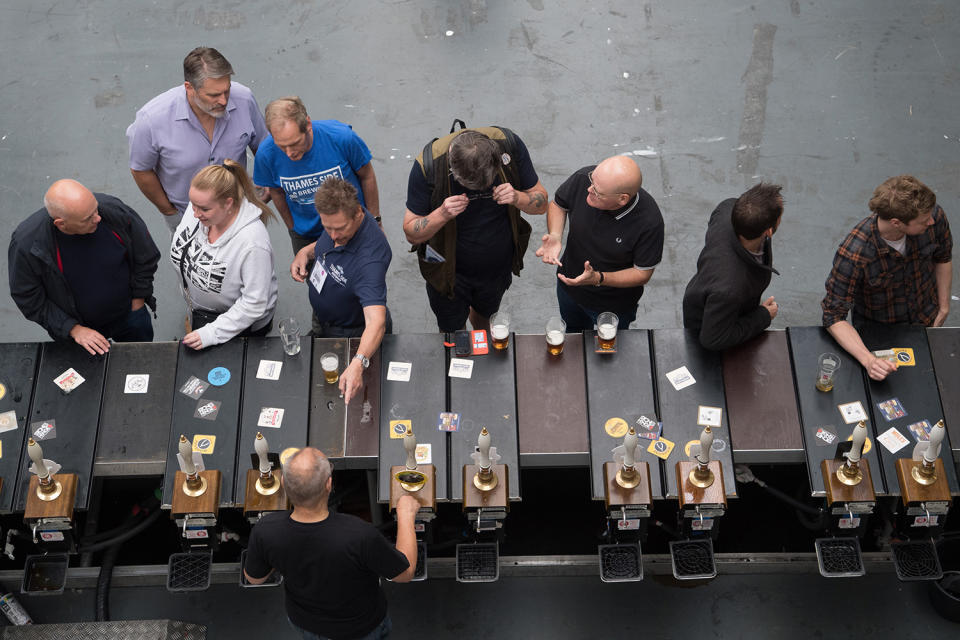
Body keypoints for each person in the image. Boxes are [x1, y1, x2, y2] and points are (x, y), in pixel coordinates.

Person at [244, 448, 419, 640]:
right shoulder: (360, 535)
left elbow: (255, 579)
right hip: (362, 628)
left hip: (306, 624)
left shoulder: (266, 530)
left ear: (283, 483)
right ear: (329, 484)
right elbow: (405, 573)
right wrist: (406, 514)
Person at [403, 126, 548, 332]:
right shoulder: (430, 164)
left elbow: (542, 204)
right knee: (452, 330)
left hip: (496, 267)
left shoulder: (508, 145)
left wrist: (518, 197)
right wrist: (442, 213)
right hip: (446, 270)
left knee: (485, 320)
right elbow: (411, 234)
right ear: (453, 169)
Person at [822, 175, 952, 381]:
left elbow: (943, 257)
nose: (932, 220)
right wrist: (869, 360)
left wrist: (944, 306)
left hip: (926, 320)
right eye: (924, 220)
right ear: (897, 223)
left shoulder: (933, 218)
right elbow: (833, 316)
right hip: (880, 333)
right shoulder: (855, 252)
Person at [8, 180, 160, 355]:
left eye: (95, 209)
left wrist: (138, 300)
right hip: (81, 334)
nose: (98, 218)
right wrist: (73, 329)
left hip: (130, 315)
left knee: (141, 362)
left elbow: (146, 255)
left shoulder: (112, 211)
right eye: (88, 218)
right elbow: (28, 297)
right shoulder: (27, 245)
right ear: (61, 224)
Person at [127, 47, 268, 232]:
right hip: (189, 217)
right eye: (214, 95)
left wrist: (266, 184)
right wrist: (169, 212)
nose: (224, 101)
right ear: (189, 88)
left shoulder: (244, 99)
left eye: (227, 91)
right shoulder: (151, 120)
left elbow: (264, 147)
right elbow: (141, 169)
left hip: (239, 211)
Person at [535, 156, 663, 332]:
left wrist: (598, 278)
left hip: (613, 305)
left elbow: (642, 273)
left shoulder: (648, 223)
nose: (588, 189)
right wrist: (556, 235)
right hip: (568, 287)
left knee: (609, 350)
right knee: (574, 338)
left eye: (597, 191)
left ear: (622, 199)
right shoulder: (584, 178)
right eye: (591, 182)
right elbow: (558, 205)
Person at [291, 178, 390, 404]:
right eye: (328, 228)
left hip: (351, 334)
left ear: (358, 214)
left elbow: (377, 322)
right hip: (325, 319)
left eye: (340, 229)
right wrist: (306, 253)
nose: (334, 236)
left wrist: (358, 362)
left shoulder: (370, 260)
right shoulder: (341, 214)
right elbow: (325, 242)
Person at [170, 160, 278, 350]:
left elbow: (254, 303)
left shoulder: (253, 243)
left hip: (238, 328)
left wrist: (211, 333)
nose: (195, 214)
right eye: (193, 205)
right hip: (199, 312)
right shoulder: (200, 207)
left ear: (228, 203)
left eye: (203, 209)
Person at [254, 97, 380, 255]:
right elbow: (276, 191)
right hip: (308, 235)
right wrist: (293, 228)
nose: (289, 153)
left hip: (352, 227)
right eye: (281, 146)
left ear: (307, 125)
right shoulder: (266, 154)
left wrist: (375, 220)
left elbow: (367, 175)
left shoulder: (342, 138)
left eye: (294, 143)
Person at [682, 183, 783, 350]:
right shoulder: (729, 288)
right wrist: (763, 316)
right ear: (769, 231)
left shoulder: (727, 209)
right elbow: (713, 339)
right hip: (710, 324)